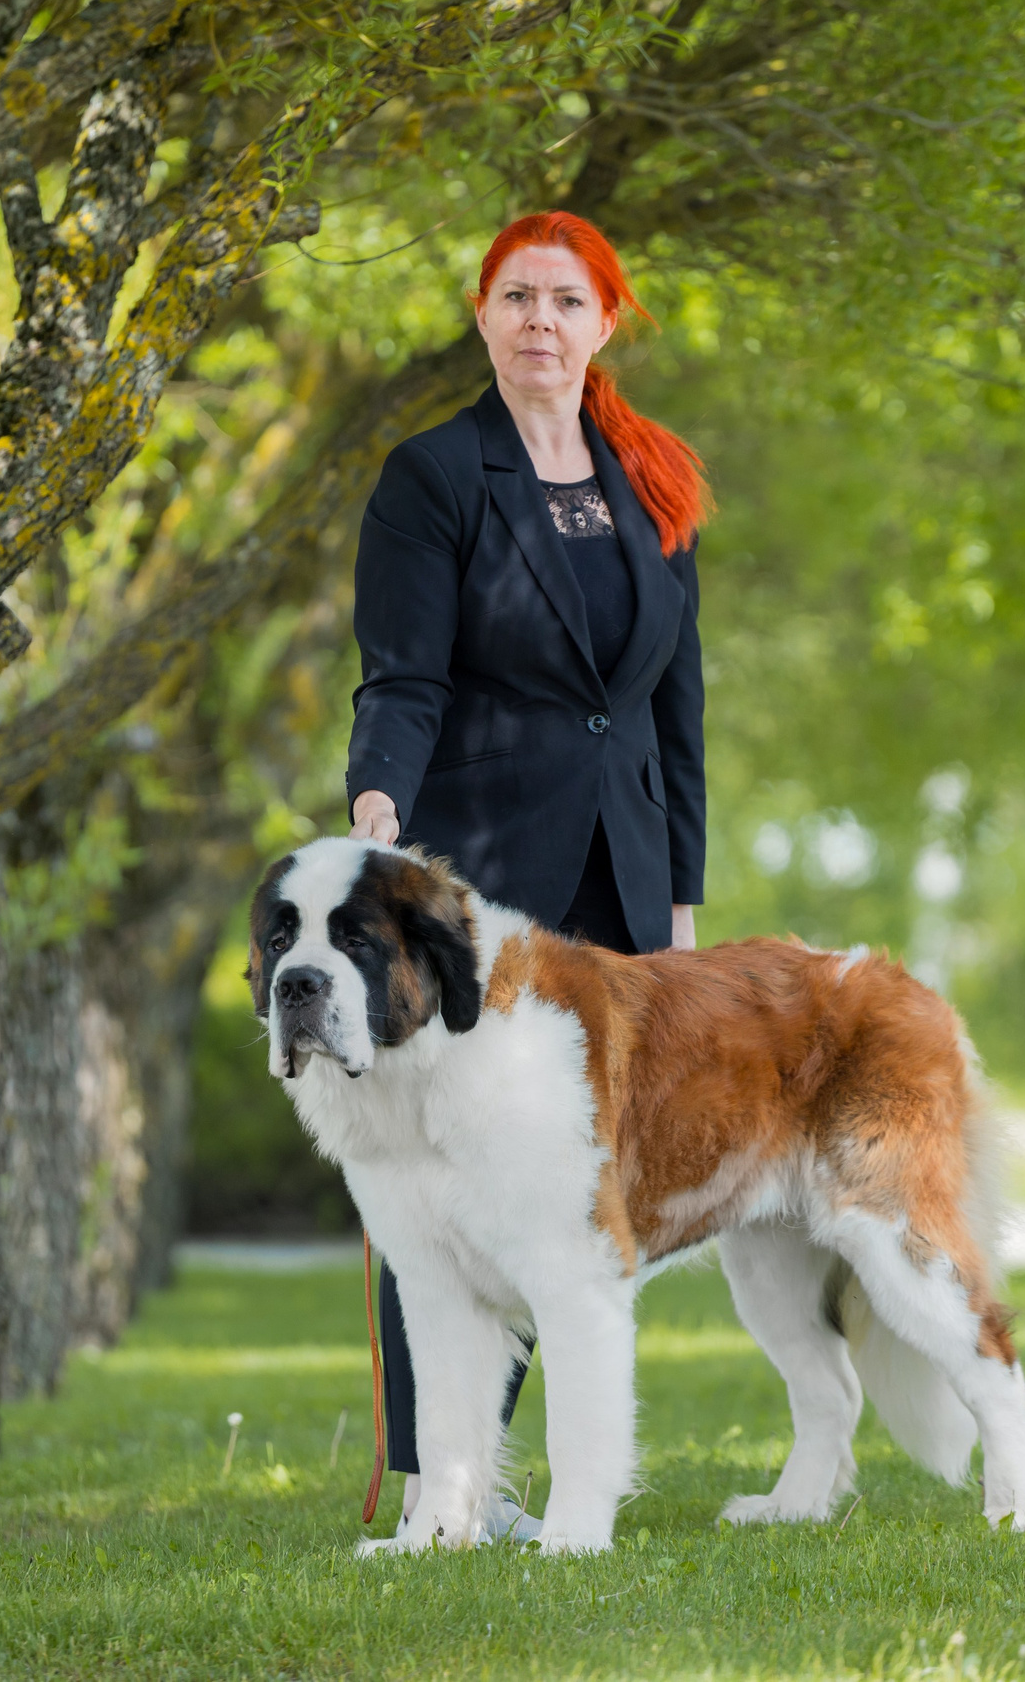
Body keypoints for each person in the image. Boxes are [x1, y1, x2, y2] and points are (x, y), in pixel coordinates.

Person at [344, 209, 710, 1538]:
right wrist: (379, 803)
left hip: (623, 885)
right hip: (477, 891)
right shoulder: (433, 478)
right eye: (517, 299)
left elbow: (675, 713)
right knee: (438, 1165)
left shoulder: (657, 481)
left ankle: (569, 1479)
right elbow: (404, 677)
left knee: (575, 1182)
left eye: (566, 299)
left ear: (606, 320)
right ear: (482, 316)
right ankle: (453, 1488)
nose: (541, 321)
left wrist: (682, 900)